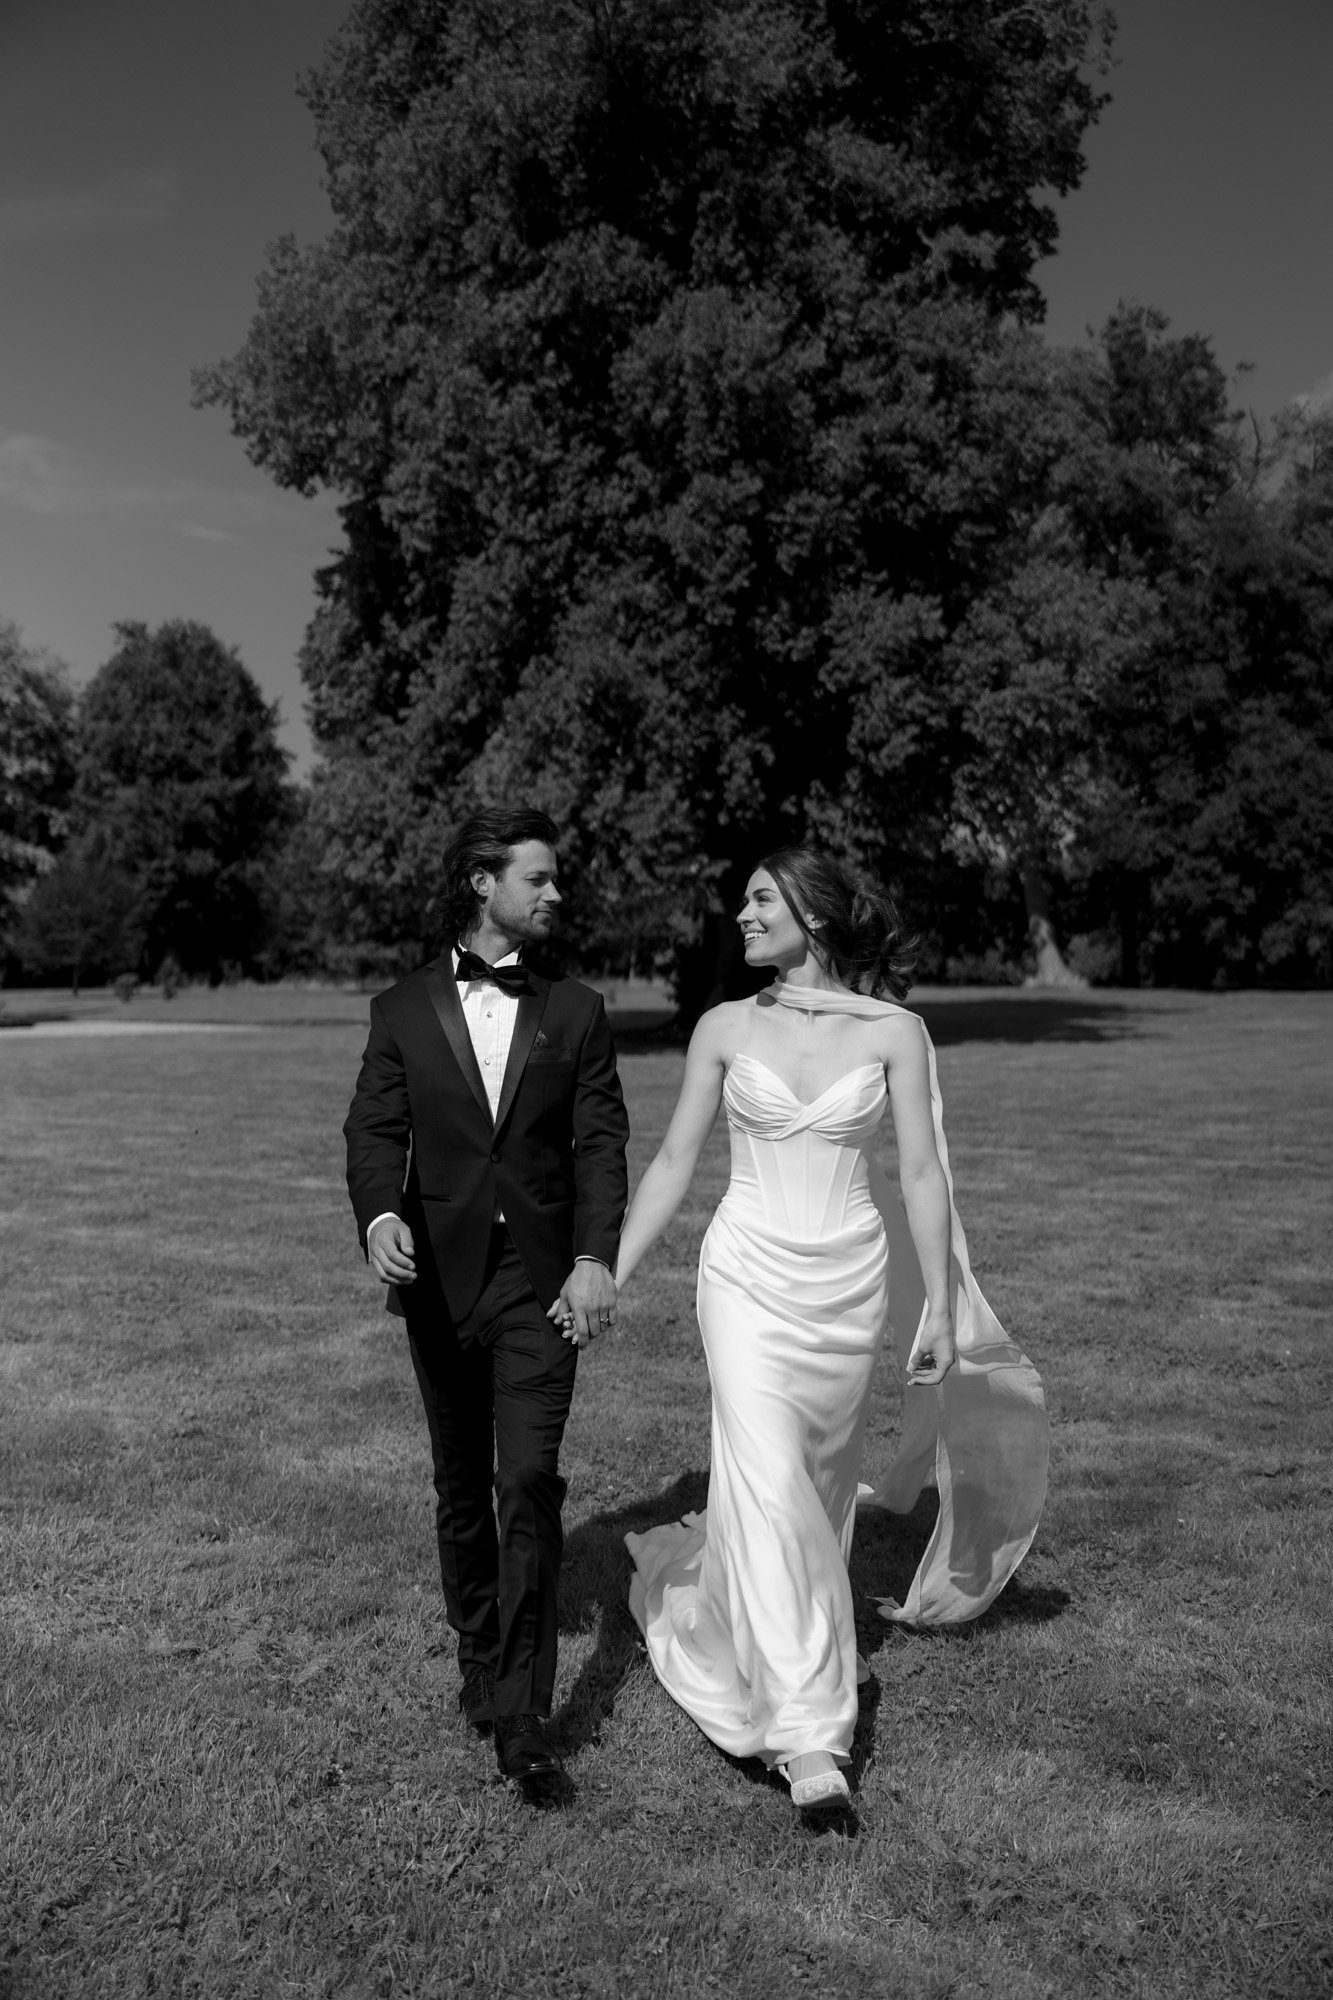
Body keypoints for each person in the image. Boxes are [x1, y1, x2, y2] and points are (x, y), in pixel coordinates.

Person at [604, 848, 1047, 1814]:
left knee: (813, 1487)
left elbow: (925, 1176)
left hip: (847, 1286)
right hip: (745, 1277)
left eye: (761, 899)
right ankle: (810, 1740)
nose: (743, 912)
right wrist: (612, 1270)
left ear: (814, 913)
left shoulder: (896, 1032)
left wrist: (936, 1304)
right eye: (747, 898)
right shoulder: (723, 1025)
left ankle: (731, 1619)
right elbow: (676, 1159)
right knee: (765, 1474)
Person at [344, 807, 628, 1788]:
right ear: (483, 881)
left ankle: (521, 1717)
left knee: (531, 1484)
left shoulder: (578, 1010)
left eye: (556, 879)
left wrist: (597, 1257)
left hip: (541, 1285)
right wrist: (381, 1216)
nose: (556, 893)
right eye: (538, 877)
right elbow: (374, 1134)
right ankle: (476, 1653)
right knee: (463, 1489)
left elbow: (599, 1146)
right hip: (438, 1281)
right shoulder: (401, 1009)